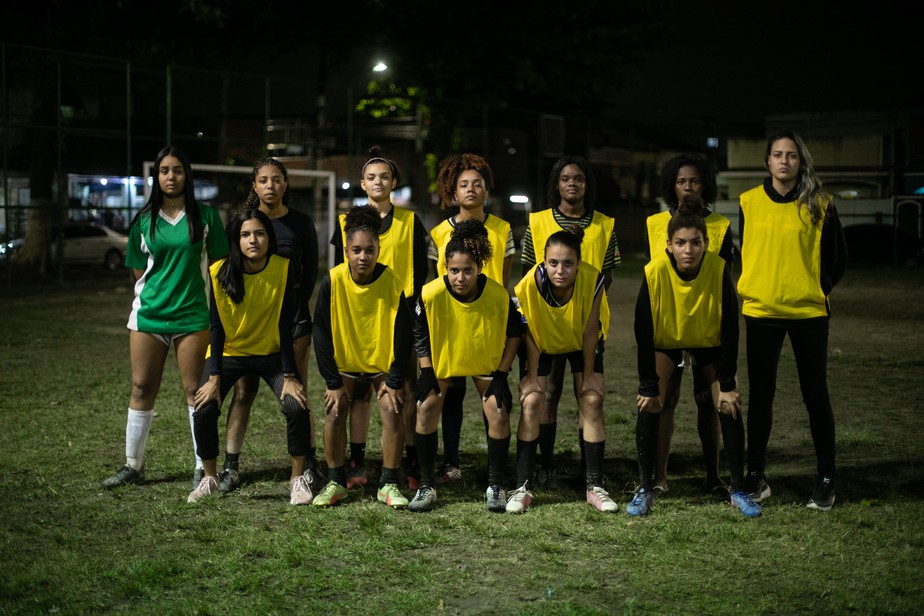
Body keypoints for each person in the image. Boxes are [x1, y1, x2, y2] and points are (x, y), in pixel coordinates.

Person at [102, 145, 229, 489]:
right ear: (156, 177)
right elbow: (139, 271)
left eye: (177, 170)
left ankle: (203, 466)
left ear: (187, 175)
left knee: (194, 390)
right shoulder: (144, 220)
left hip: (192, 316)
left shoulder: (206, 217)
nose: (170, 177)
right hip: (149, 317)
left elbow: (219, 267)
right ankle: (133, 465)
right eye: (164, 171)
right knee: (142, 387)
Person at [738, 131, 847, 511]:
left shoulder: (819, 203)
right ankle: (756, 476)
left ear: (801, 162)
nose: (784, 161)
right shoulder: (748, 202)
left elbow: (837, 259)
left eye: (792, 156)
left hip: (808, 314)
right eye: (777, 155)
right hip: (761, 312)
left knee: (815, 395)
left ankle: (827, 478)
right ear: (767, 161)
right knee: (760, 398)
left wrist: (817, 286)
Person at [629, 211, 760, 517]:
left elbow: (730, 327)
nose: (688, 250)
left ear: (706, 243)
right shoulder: (654, 271)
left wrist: (727, 385)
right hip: (666, 341)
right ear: (668, 245)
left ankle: (738, 489)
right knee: (650, 403)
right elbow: (643, 330)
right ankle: (646, 487)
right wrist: (648, 385)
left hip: (709, 341)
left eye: (695, 242)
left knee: (729, 404)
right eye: (681, 243)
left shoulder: (718, 269)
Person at [188, 208, 312, 504]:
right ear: (236, 239)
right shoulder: (219, 270)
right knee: (203, 406)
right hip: (231, 353)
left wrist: (290, 377)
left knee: (296, 406)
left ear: (269, 238)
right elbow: (216, 327)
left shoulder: (283, 268)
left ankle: (298, 479)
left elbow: (285, 324)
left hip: (271, 353)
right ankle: (210, 478)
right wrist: (214, 377)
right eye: (245, 234)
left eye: (259, 233)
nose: (253, 240)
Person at [329, 147, 429, 491]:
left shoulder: (410, 221)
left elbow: (421, 268)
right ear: (362, 183)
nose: (378, 181)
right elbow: (338, 270)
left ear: (394, 182)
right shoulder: (347, 222)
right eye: (371, 177)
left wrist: (413, 313)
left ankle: (410, 460)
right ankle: (356, 460)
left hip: (397, 315)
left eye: (384, 176)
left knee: (403, 389)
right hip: (359, 316)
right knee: (358, 394)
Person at [219, 157, 320, 495]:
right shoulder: (243, 224)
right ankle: (231, 465)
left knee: (298, 390)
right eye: (264, 180)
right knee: (243, 391)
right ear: (254, 186)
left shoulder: (301, 223)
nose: (271, 186)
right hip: (250, 327)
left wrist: (293, 312)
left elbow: (308, 275)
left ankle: (308, 462)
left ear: (286, 184)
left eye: (277, 179)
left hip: (291, 324)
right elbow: (229, 273)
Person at [518, 155, 620, 489]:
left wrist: (585, 301)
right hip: (546, 321)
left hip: (586, 321)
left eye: (579, 178)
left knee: (587, 393)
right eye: (565, 179)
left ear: (587, 184)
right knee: (547, 394)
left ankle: (586, 471)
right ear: (556, 184)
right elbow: (530, 278)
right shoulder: (537, 222)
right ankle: (546, 466)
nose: (572, 184)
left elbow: (607, 277)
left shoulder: (605, 224)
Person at [408, 220, 521, 512]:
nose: (460, 277)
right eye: (454, 270)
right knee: (426, 407)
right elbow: (419, 330)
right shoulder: (431, 293)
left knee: (498, 411)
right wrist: (426, 370)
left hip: (485, 361)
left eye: (468, 270)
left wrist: (502, 375)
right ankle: (425, 485)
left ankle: (496, 484)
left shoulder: (497, 295)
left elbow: (514, 334)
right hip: (446, 360)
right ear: (445, 267)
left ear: (479, 269)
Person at [644, 153, 734, 495]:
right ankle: (660, 477)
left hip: (706, 326)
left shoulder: (721, 227)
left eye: (694, 181)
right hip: (666, 326)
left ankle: (713, 476)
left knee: (708, 401)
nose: (687, 188)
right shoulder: (655, 224)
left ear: (705, 185)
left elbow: (722, 281)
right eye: (681, 181)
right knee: (664, 401)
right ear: (672, 185)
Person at [312, 206, 412, 508]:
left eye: (370, 250)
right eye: (356, 250)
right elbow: (321, 333)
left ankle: (389, 483)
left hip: (380, 365)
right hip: (346, 363)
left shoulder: (392, 280)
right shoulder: (333, 280)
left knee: (393, 409)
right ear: (346, 251)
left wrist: (394, 380)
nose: (363, 256)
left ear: (379, 250)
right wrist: (332, 382)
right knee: (334, 409)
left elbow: (403, 333)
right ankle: (336, 481)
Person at [427, 153, 515, 484]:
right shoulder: (438, 233)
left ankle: (496, 466)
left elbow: (504, 282)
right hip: (451, 324)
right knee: (451, 394)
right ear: (452, 190)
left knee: (492, 395)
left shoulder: (502, 229)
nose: (471, 189)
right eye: (463, 184)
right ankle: (450, 462)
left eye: (477, 183)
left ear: (487, 189)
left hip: (488, 324)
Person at [513, 227, 616, 513]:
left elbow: (590, 330)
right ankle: (523, 486)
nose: (560, 270)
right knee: (533, 401)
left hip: (580, 337)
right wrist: (532, 377)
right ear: (543, 262)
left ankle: (594, 485)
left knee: (592, 400)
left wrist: (590, 373)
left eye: (568, 263)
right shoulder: (530, 284)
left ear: (579, 263)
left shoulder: (593, 279)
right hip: (542, 341)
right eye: (553, 263)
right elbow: (531, 333)